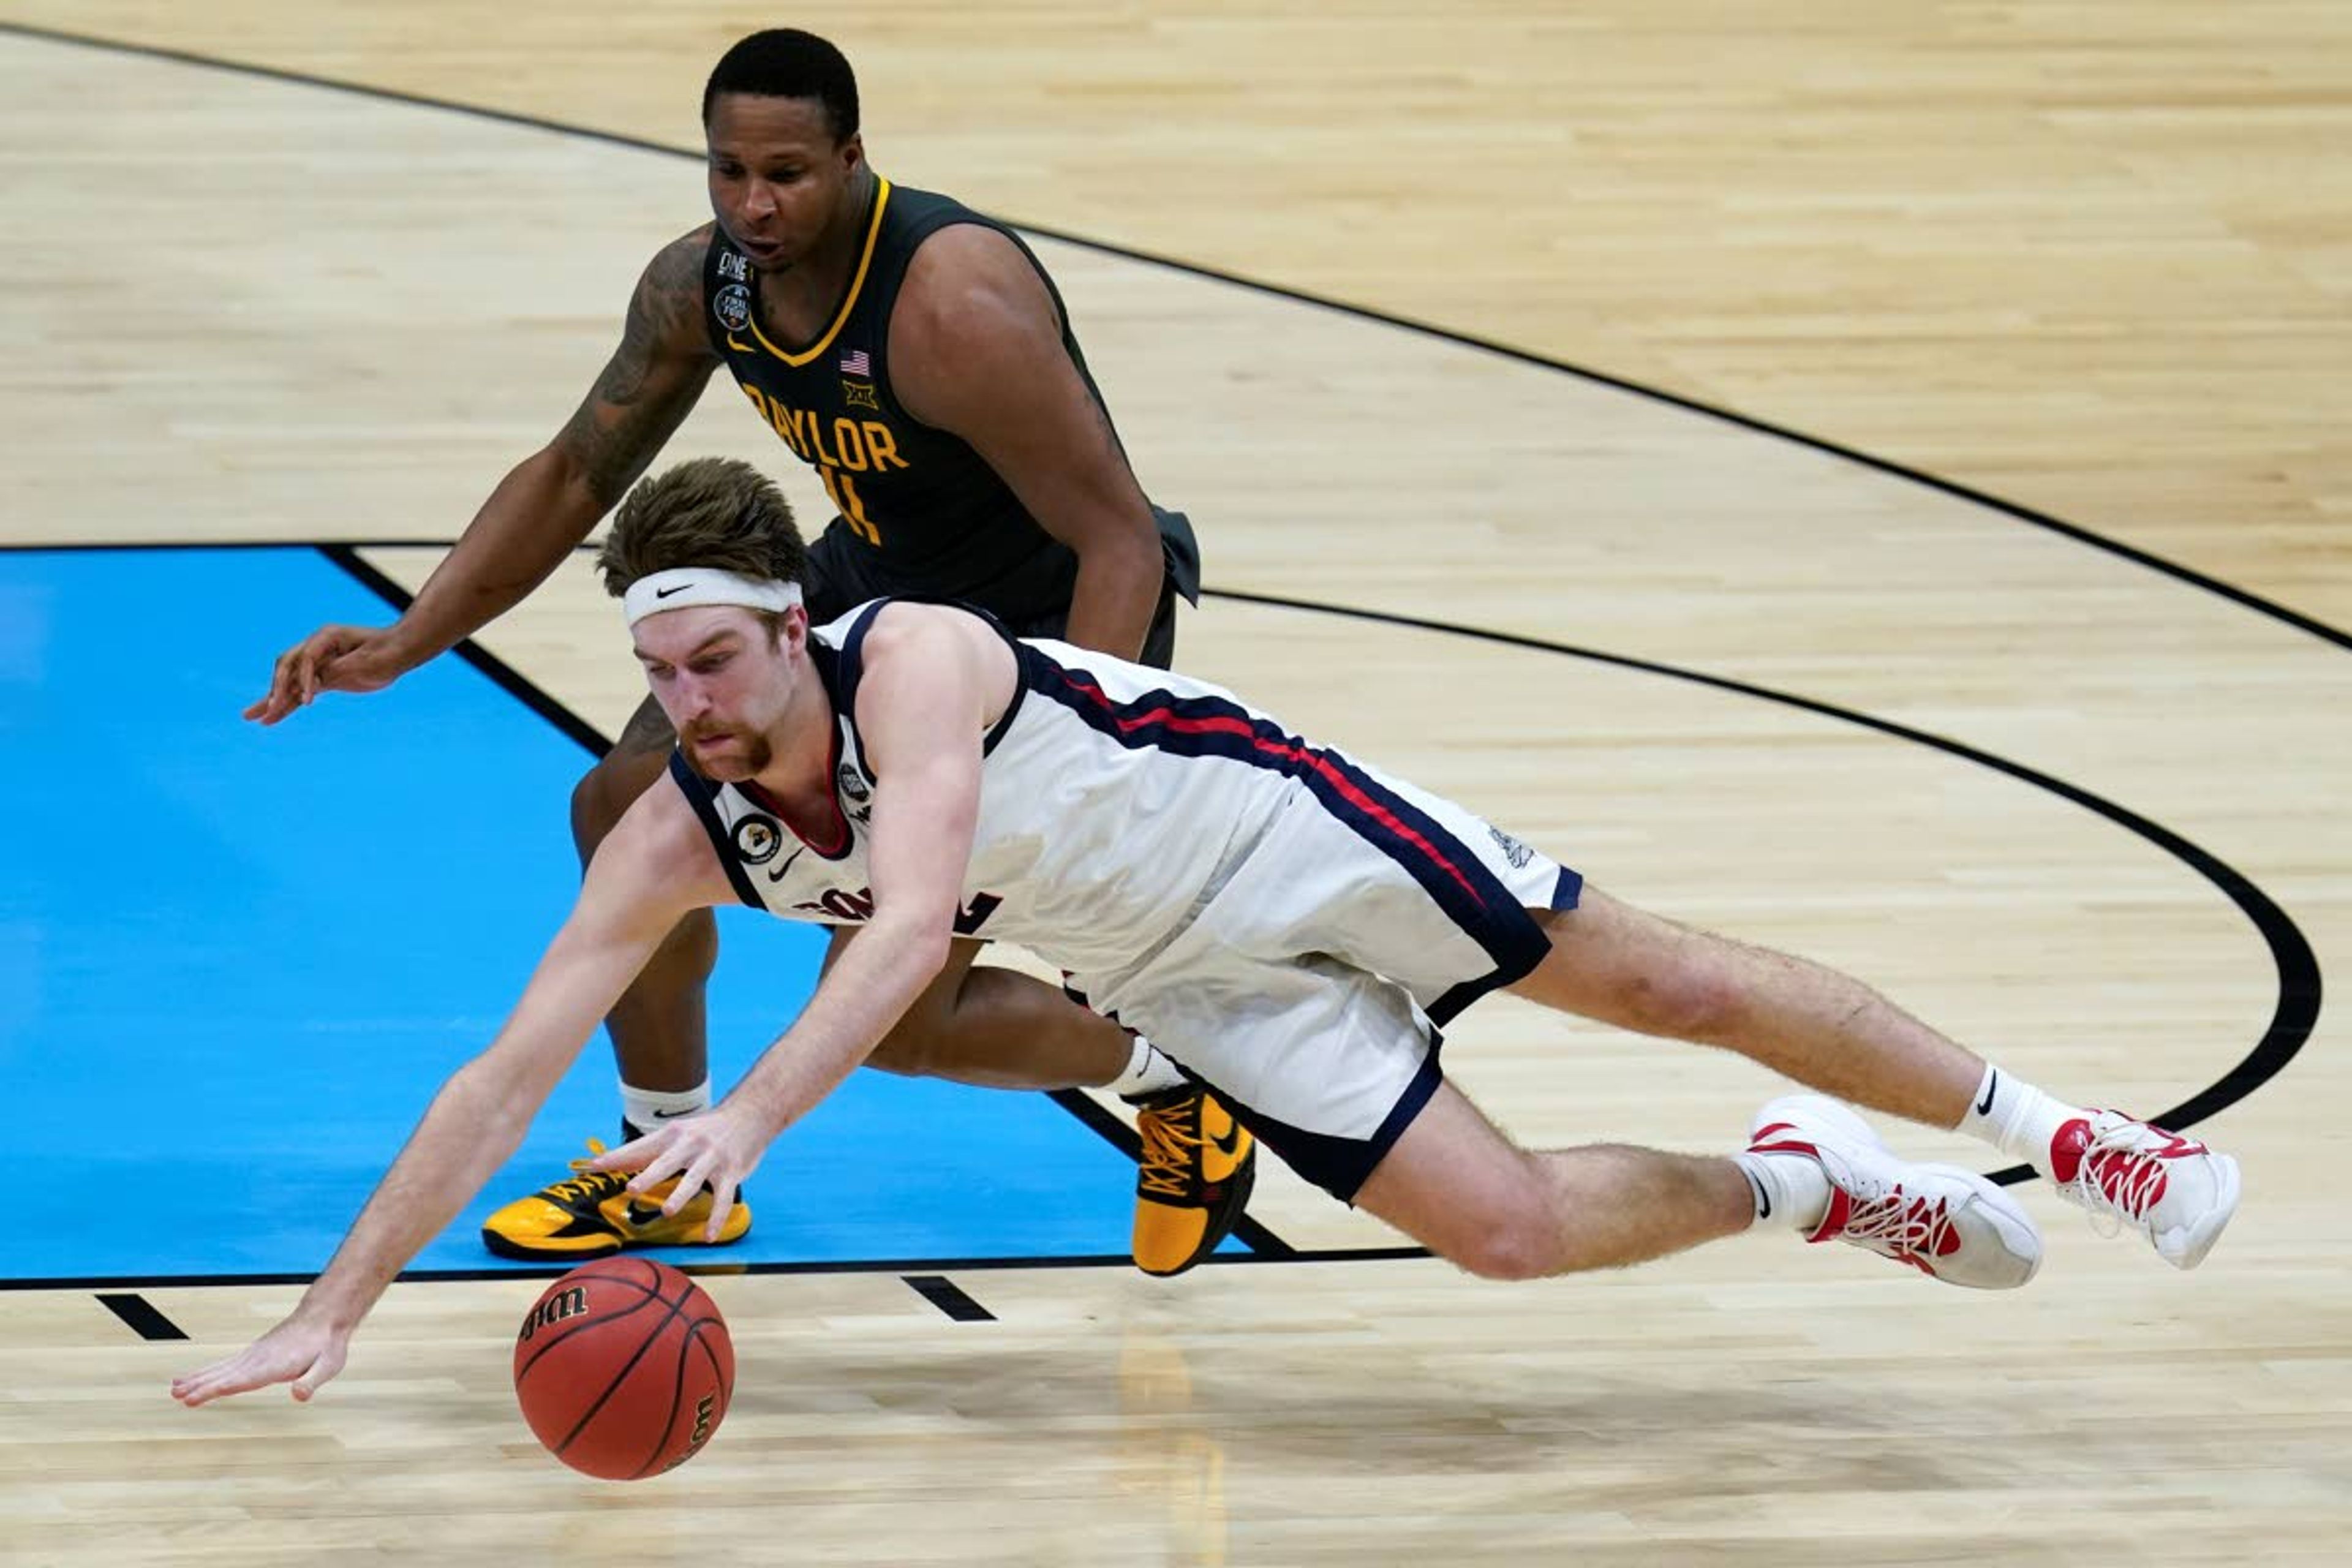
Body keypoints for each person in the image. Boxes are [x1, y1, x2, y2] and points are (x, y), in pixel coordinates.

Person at [174, 458, 2243, 1409]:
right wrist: (340, 1303)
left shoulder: (921, 664)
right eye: (671, 679)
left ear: (790, 628)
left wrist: (748, 1135)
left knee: (1678, 982)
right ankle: (1806, 1189)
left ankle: (2084, 1138)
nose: (697, 709)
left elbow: (904, 938)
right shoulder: (677, 826)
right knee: (1506, 1232)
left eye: (720, 662)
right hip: (1179, 976)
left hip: (1280, 838)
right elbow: (502, 1071)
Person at [239, 29, 1254, 1276]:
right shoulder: (705, 285)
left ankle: (1178, 1078)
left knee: (901, 1021)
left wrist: (1071, 752)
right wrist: (408, 640)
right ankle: (669, 1165)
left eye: (788, 173)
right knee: (622, 811)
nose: (755, 204)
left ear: (854, 158)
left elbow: (1119, 540)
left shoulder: (951, 306)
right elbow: (575, 469)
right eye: (730, 172)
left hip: (1022, 640)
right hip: (862, 587)